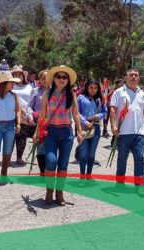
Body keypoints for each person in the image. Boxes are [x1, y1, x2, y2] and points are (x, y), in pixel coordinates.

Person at [40, 65, 83, 206]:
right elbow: (42, 114)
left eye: (65, 77)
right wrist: (37, 132)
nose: (61, 79)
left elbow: (76, 114)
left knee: (63, 165)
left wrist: (79, 131)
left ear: (68, 80)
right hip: (51, 132)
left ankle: (59, 194)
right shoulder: (47, 93)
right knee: (51, 161)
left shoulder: (72, 94)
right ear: (54, 79)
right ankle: (49, 191)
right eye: (59, 76)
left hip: (66, 133)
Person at [110, 69, 144, 197]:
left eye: (136, 75)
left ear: (138, 78)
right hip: (123, 132)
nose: (133, 77)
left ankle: (140, 186)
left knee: (140, 158)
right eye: (130, 75)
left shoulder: (142, 93)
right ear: (126, 78)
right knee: (122, 159)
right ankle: (120, 183)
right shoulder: (119, 92)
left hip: (138, 132)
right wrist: (113, 125)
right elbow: (113, 109)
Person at [0, 71, 21, 187]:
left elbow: (18, 110)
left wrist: (18, 123)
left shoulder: (14, 96)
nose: (12, 84)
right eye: (10, 82)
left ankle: (4, 174)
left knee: (8, 150)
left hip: (10, 125)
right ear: (4, 83)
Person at [77, 80, 107, 185]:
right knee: (83, 153)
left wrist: (97, 116)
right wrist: (85, 121)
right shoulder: (80, 98)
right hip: (84, 127)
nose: (93, 90)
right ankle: (82, 176)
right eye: (91, 87)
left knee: (91, 154)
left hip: (96, 128)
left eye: (95, 88)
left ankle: (89, 175)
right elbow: (77, 112)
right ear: (87, 88)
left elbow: (105, 112)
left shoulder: (100, 99)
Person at [11, 65, 35, 166]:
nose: (17, 75)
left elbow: (30, 102)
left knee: (22, 137)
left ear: (22, 75)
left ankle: (19, 157)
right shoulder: (9, 86)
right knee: (10, 137)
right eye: (15, 74)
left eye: (19, 74)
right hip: (11, 114)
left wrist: (30, 115)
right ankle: (7, 157)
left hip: (24, 115)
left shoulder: (29, 87)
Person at [28, 70, 50, 174]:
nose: (46, 80)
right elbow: (29, 106)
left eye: (48, 78)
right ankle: (42, 171)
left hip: (51, 123)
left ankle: (49, 169)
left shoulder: (55, 91)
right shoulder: (35, 91)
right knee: (40, 148)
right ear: (39, 80)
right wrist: (31, 116)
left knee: (50, 147)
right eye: (43, 78)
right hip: (39, 123)